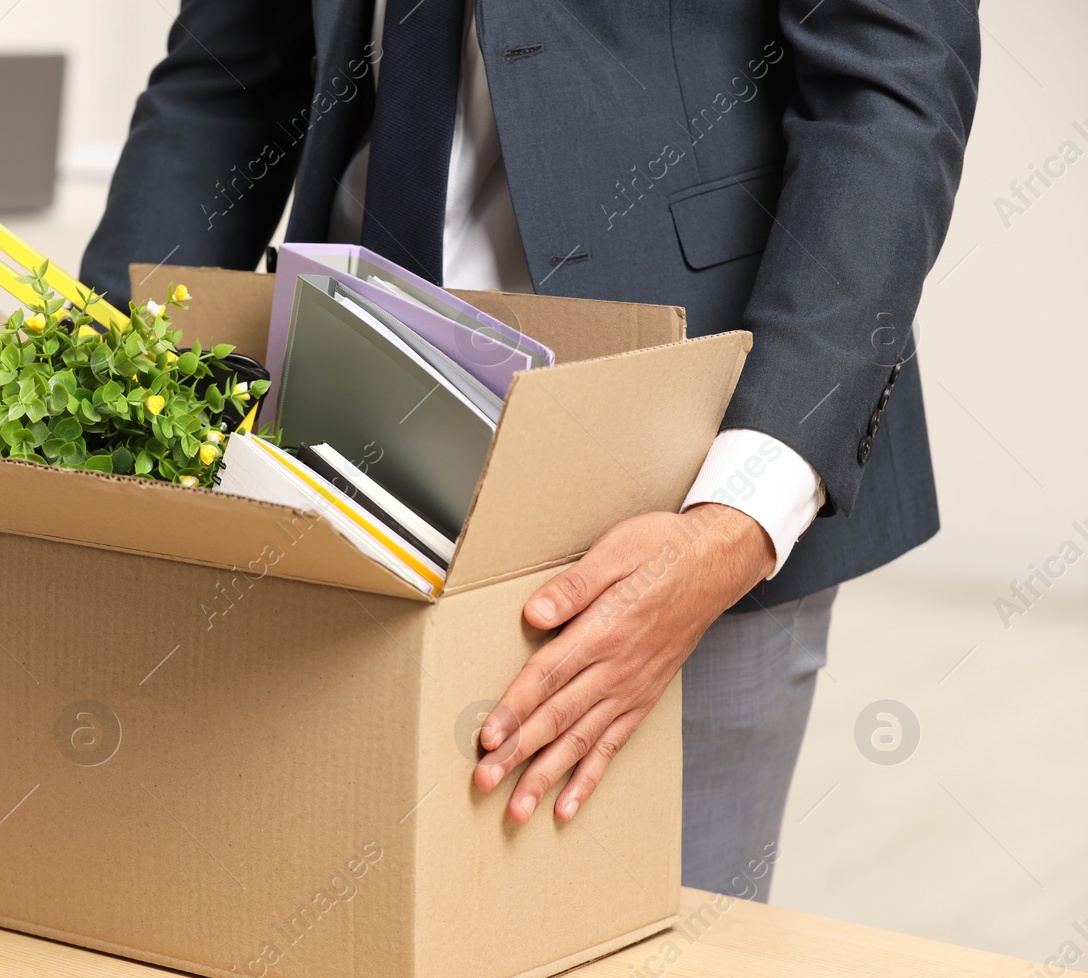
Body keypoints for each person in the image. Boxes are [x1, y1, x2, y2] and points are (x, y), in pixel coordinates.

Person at [82, 0, 979, 901]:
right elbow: (228, 76)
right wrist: (101, 388)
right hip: (332, 407)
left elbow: (894, 85)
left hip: (682, 460)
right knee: (308, 925)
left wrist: (737, 517)